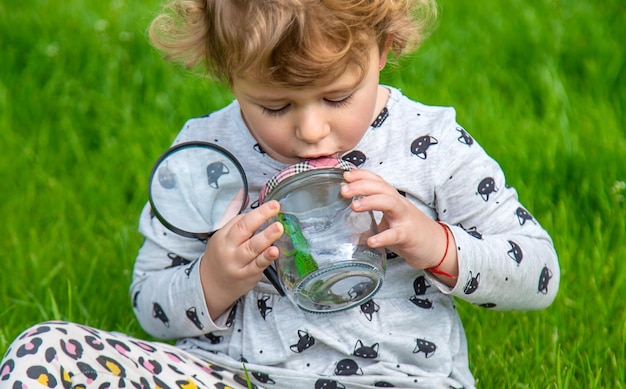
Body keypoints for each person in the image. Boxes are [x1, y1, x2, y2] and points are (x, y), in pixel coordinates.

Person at [1, 0, 560, 387]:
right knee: (43, 353)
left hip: (392, 379)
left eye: (338, 97)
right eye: (275, 106)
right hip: (225, 379)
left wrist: (433, 243)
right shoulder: (205, 155)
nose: (311, 131)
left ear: (384, 48)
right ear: (229, 72)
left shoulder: (429, 143)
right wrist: (213, 279)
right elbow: (150, 301)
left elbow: (538, 273)